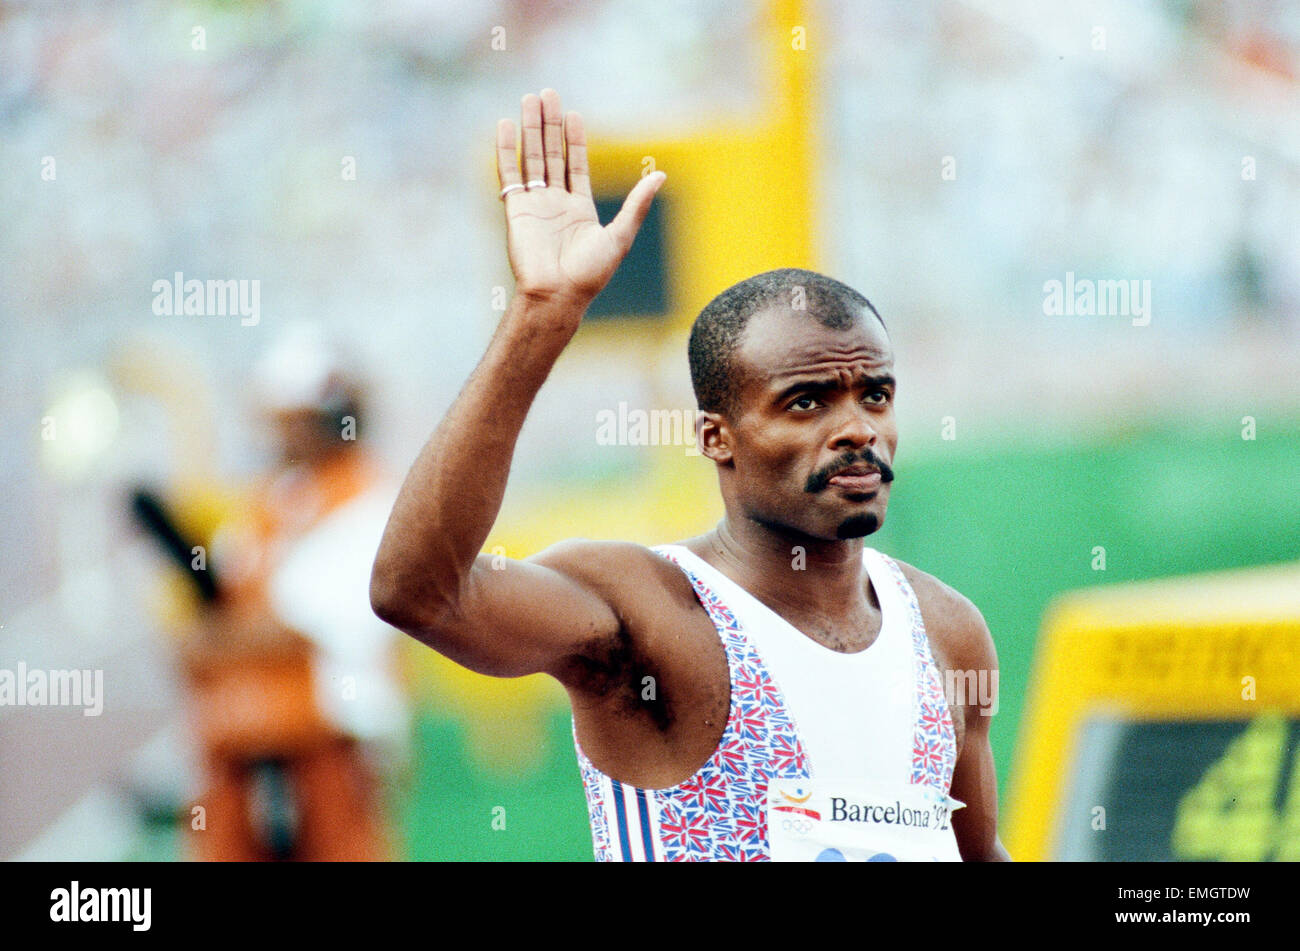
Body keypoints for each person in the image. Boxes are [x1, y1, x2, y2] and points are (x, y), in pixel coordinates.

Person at [371, 88, 1009, 861]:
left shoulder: (946, 630)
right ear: (718, 437)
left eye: (874, 394)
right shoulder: (645, 609)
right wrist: (543, 314)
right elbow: (417, 593)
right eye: (805, 402)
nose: (856, 428)